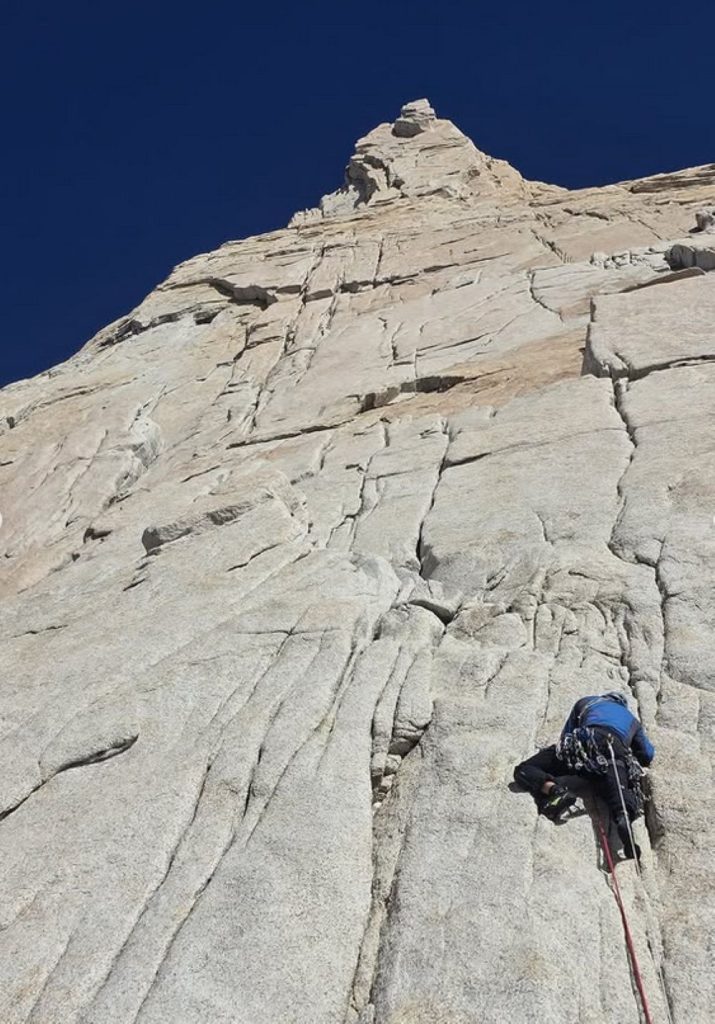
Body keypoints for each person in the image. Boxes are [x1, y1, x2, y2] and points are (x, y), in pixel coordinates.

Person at [513, 692, 655, 859]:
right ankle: (622, 816)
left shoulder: (587, 702)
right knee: (617, 785)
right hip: (614, 748)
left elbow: (566, 735)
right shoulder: (631, 720)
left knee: (524, 768)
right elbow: (647, 754)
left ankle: (554, 790)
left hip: (583, 743)